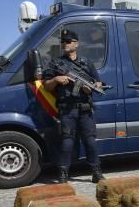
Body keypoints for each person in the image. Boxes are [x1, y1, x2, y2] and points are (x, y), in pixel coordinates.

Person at [43, 29, 106, 184]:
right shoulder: (56, 63)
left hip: (85, 108)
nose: (65, 44)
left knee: (90, 141)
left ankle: (96, 173)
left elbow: (98, 82)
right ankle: (63, 174)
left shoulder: (86, 63)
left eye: (68, 41)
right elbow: (46, 85)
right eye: (63, 41)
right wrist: (57, 79)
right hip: (67, 110)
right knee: (67, 142)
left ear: (76, 44)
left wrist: (91, 87)